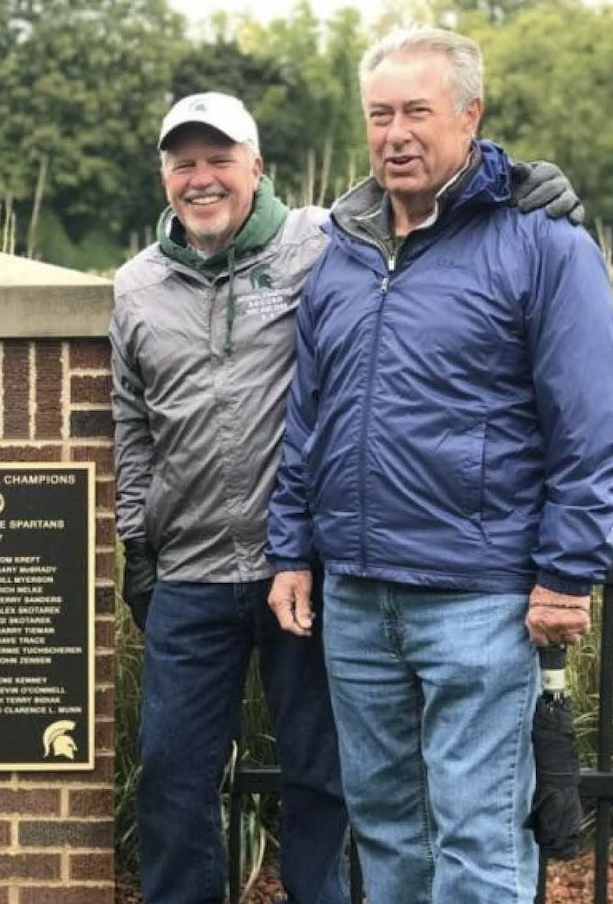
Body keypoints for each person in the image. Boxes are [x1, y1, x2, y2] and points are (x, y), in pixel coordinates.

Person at [111, 90, 581, 904]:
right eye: (183, 163)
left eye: (220, 159)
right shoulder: (135, 285)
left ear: (258, 166)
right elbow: (131, 427)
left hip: (307, 573)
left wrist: (526, 183)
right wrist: (135, 542)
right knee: (172, 780)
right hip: (187, 573)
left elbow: (428, 204)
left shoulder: (322, 240)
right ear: (164, 175)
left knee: (324, 782)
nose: (202, 179)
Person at [266, 27, 613, 904]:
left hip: (481, 598)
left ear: (471, 115)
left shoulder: (542, 242)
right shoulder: (341, 252)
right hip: (354, 596)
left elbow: (589, 422)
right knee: (386, 829)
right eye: (380, 114)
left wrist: (568, 574)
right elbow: (310, 415)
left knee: (478, 833)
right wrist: (290, 549)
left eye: (418, 111)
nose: (396, 134)